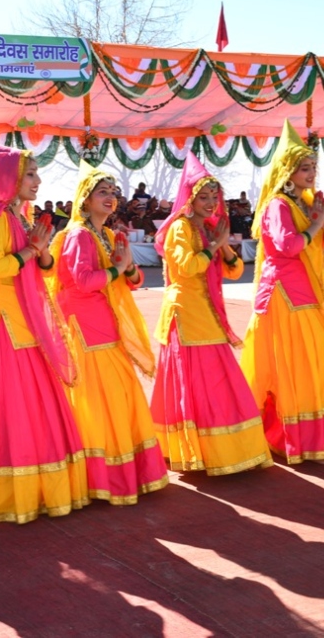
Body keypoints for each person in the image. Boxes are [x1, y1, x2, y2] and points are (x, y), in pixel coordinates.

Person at [0, 137, 88, 525]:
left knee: (31, 403)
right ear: (10, 179)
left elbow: (41, 270)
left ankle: (37, 486)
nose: (37, 181)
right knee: (12, 406)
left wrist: (42, 252)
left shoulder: (20, 215)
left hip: (24, 321)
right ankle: (11, 491)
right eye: (30, 174)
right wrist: (32, 251)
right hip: (3, 325)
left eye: (36, 174)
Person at [50, 162, 167, 505]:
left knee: (118, 395)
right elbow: (84, 282)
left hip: (106, 323)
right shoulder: (78, 235)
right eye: (103, 192)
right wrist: (117, 268)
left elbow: (132, 281)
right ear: (84, 200)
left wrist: (127, 266)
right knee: (100, 400)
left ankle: (127, 472)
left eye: (114, 192)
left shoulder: (105, 234)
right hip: (86, 329)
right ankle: (101, 477)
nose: (111, 197)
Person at [150, 154, 271, 476]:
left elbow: (233, 272)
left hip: (207, 314)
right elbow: (187, 268)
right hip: (187, 316)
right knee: (202, 384)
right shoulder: (179, 227)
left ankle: (228, 449)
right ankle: (204, 452)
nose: (209, 202)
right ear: (189, 198)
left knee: (218, 381)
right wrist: (213, 246)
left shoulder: (208, 227)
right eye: (202, 197)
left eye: (214, 197)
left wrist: (223, 245)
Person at [242, 121, 324, 464]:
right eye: (305, 168)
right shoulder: (278, 205)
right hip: (285, 295)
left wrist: (317, 214)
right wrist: (317, 223)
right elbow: (287, 245)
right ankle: (288, 436)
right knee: (293, 365)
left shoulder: (304, 203)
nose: (311, 173)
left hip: (306, 291)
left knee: (311, 363)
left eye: (314, 167)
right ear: (288, 171)